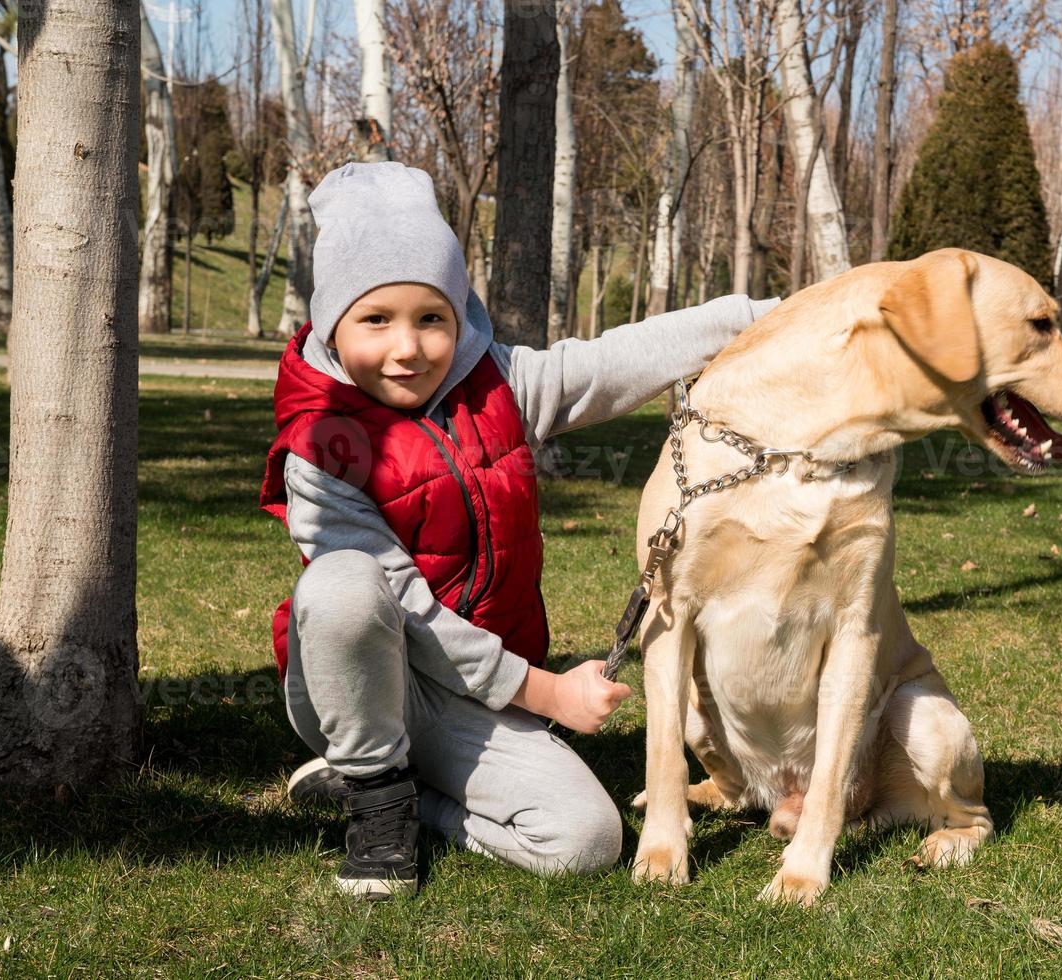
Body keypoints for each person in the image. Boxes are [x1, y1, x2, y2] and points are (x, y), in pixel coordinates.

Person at [258, 161, 779, 898]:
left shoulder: (498, 384)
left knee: (583, 841)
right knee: (343, 581)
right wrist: (544, 694)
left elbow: (612, 361)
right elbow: (408, 609)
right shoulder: (319, 446)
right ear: (331, 323)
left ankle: (405, 796)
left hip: (465, 695)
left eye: (430, 317)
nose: (407, 348)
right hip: (360, 682)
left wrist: (771, 315)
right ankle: (375, 803)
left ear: (457, 313)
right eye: (376, 320)